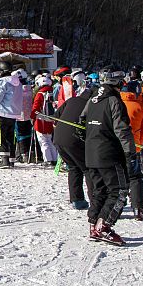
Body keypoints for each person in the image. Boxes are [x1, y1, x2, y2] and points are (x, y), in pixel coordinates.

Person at [82, 67, 137, 246]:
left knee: (100, 191)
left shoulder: (93, 99)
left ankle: (93, 224)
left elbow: (80, 124)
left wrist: (91, 139)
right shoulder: (114, 100)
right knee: (119, 190)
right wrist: (130, 152)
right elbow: (122, 129)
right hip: (109, 153)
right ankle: (103, 226)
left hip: (91, 152)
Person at [53, 80, 92, 208]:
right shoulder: (91, 105)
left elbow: (55, 117)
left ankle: (77, 200)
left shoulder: (71, 101)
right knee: (88, 169)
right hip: (75, 139)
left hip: (58, 138)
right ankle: (96, 200)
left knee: (74, 167)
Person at [120, 79, 143, 220]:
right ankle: (138, 208)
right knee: (135, 177)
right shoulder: (141, 106)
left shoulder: (115, 103)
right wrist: (139, 143)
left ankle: (116, 208)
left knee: (116, 178)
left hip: (115, 148)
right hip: (133, 148)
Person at [0, 63, 27, 168]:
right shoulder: (18, 82)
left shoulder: (2, 82)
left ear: (1, 71)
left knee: (1, 136)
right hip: (14, 113)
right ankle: (11, 160)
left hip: (2, 113)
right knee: (11, 137)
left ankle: (4, 161)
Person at [30, 73, 59, 166]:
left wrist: (32, 116)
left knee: (43, 141)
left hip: (40, 120)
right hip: (51, 119)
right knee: (50, 140)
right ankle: (54, 158)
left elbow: (36, 107)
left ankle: (48, 159)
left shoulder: (40, 94)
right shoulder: (52, 92)